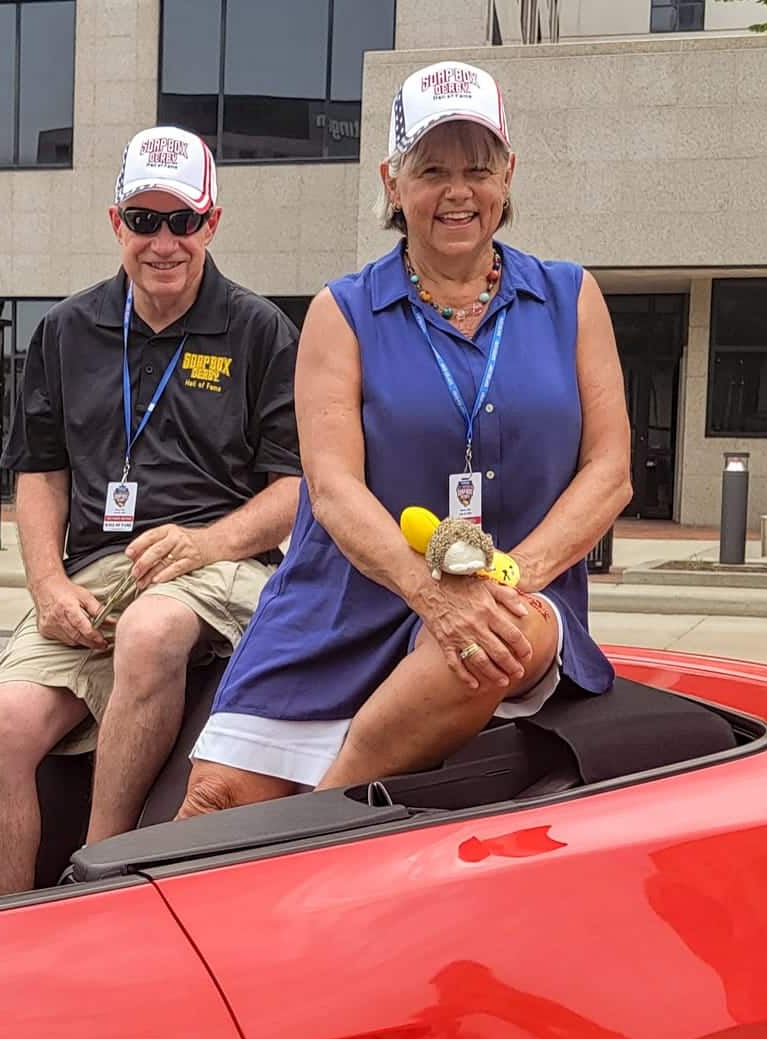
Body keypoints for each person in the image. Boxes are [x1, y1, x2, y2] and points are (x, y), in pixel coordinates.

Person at [181, 61, 630, 814]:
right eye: (432, 171)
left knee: (486, 645)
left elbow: (610, 470)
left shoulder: (571, 297)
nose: (458, 192)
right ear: (392, 183)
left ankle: (319, 820)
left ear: (508, 175)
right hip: (345, 601)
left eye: (478, 169)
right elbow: (332, 488)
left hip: (516, 596)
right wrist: (431, 592)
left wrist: (509, 578)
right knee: (215, 801)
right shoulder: (343, 311)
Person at [0, 126, 303, 897]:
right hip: (97, 570)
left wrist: (208, 543)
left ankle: (98, 876)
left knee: (150, 630)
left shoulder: (259, 330)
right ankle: (4, 931)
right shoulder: (65, 330)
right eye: (145, 220)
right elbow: (40, 471)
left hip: (220, 564)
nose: (164, 242)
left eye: (183, 220)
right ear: (117, 222)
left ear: (212, 223)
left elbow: (293, 489)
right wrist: (47, 584)